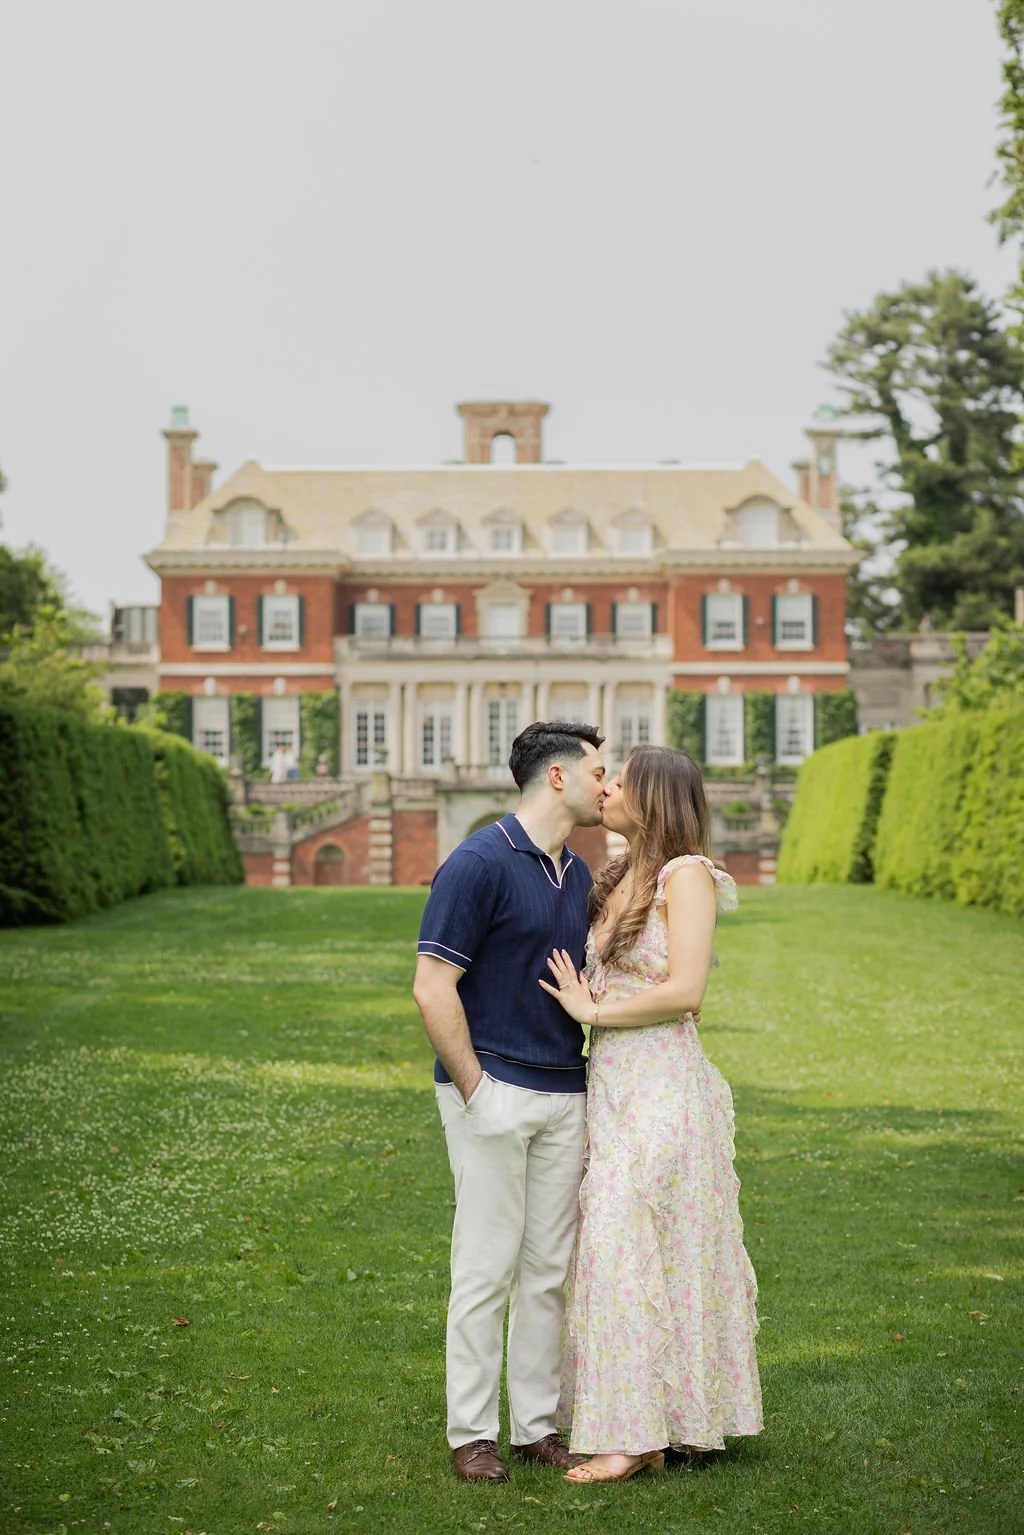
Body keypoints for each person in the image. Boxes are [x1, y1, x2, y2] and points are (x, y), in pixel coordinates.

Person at [541, 744, 762, 1484]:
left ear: (654, 798)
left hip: (664, 1082)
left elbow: (686, 990)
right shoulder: (618, 874)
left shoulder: (686, 874)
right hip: (614, 1084)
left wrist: (591, 1006)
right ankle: (659, 1422)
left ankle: (633, 1437)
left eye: (619, 782)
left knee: (635, 1243)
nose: (604, 789)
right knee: (623, 1250)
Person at [412, 722, 607, 1483]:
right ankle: (471, 1433)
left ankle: (534, 1426)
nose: (607, 782)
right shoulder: (477, 862)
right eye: (598, 770)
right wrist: (477, 1091)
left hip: (566, 1089)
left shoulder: (580, 874)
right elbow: (432, 986)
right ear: (556, 777)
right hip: (491, 1086)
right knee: (486, 1267)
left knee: (547, 1269)